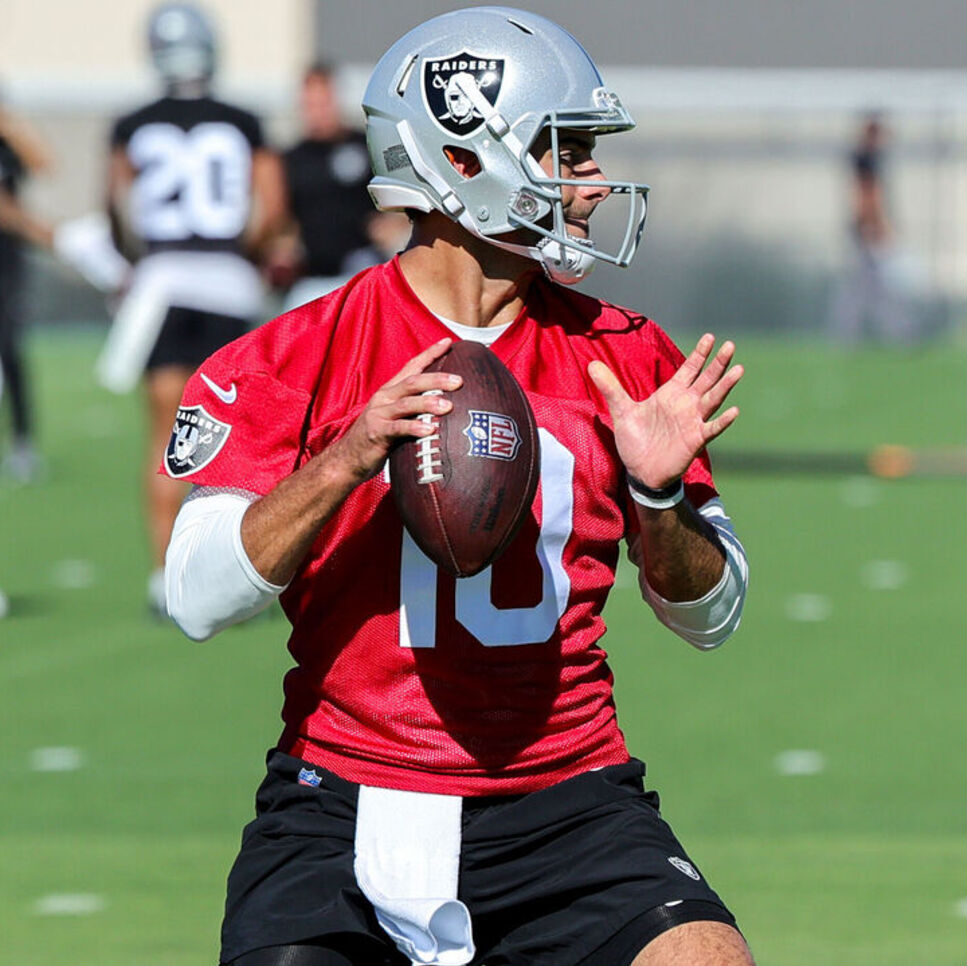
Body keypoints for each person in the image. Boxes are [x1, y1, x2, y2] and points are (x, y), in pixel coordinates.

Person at [163, 7, 753, 965]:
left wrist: (658, 500)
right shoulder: (297, 355)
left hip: (565, 797)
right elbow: (192, 597)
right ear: (463, 163)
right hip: (339, 796)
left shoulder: (623, 355)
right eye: (568, 151)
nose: (594, 183)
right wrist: (348, 458)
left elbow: (712, 617)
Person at [105, 1, 284, 614]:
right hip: (228, 284)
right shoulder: (242, 121)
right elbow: (271, 206)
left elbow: (117, 205)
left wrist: (134, 260)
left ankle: (164, 577)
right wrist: (249, 254)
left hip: (163, 281)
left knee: (164, 438)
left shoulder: (133, 124)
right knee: (228, 438)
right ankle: (224, 574)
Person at [269, 63, 406, 311]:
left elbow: (402, 196)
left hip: (361, 270)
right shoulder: (292, 158)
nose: (317, 112)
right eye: (310, 104)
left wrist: (393, 224)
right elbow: (282, 219)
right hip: (310, 278)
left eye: (323, 103)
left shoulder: (365, 146)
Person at [0, 100, 55, 482]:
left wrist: (12, 125)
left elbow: (44, 165)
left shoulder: (7, 142)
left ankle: (22, 443)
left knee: (8, 346)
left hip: (6, 260)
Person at [826, 112, 915, 344]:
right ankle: (894, 332)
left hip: (864, 229)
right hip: (866, 230)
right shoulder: (866, 158)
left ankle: (853, 332)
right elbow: (867, 194)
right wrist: (876, 227)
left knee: (868, 287)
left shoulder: (867, 157)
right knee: (871, 287)